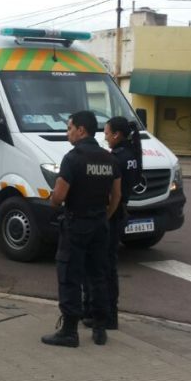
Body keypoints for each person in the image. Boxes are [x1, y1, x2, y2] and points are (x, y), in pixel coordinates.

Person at [42, 110, 121, 348]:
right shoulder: (110, 159)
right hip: (100, 225)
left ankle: (69, 331)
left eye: (69, 128)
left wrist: (52, 200)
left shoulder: (73, 158)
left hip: (76, 224)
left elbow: (59, 196)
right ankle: (99, 328)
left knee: (69, 276)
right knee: (98, 275)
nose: (68, 133)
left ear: (81, 130)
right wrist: (103, 217)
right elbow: (116, 196)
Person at [95, 116, 143, 330]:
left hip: (113, 215)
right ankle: (110, 316)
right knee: (110, 266)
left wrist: (105, 217)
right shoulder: (131, 154)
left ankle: (105, 316)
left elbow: (112, 194)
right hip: (123, 211)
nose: (105, 138)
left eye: (106, 133)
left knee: (104, 268)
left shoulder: (115, 158)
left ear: (116, 134)